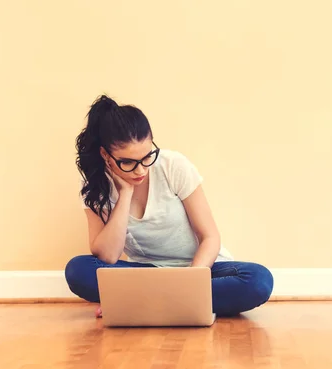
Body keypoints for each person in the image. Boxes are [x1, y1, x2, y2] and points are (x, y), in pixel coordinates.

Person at [64, 95, 274, 317]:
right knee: (78, 270)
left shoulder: (173, 166)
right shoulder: (94, 184)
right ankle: (174, 304)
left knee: (258, 280)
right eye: (127, 162)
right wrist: (125, 194)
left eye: (147, 157)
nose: (141, 170)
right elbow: (108, 257)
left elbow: (210, 237)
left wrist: (189, 284)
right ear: (105, 155)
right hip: (148, 273)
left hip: (202, 269)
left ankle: (139, 303)